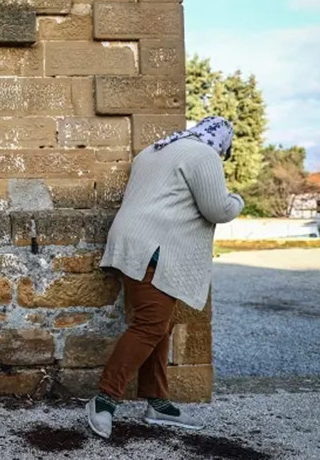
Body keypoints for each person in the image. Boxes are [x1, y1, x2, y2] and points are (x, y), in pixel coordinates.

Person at [87, 116, 244, 439]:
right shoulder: (204, 155)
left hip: (133, 240)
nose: (222, 154)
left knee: (160, 324)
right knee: (150, 325)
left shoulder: (155, 149)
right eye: (224, 150)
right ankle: (104, 399)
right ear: (222, 142)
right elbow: (217, 209)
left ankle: (157, 402)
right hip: (155, 247)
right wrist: (238, 201)